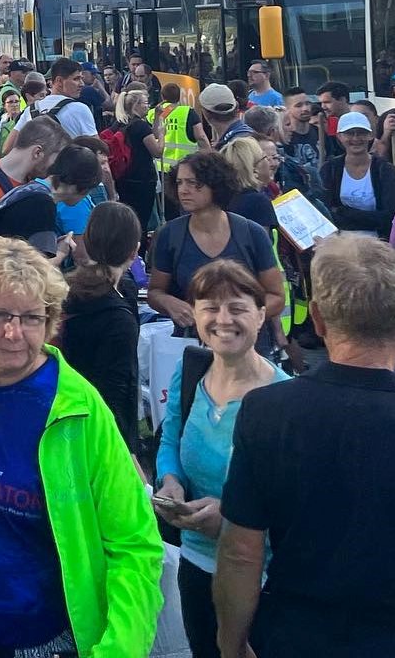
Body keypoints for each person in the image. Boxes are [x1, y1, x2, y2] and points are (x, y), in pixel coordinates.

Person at [0, 236, 163, 657]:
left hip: (38, 641)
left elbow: (135, 543)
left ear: (52, 322)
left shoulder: (78, 410)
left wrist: (119, 649)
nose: (14, 333)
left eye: (31, 318)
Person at [215, 234, 395, 657]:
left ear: (317, 318)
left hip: (295, 634)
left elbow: (242, 551)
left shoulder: (268, 411)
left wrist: (230, 644)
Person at [148, 259, 289, 658]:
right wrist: (170, 482)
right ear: (194, 314)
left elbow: (293, 501)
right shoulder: (190, 370)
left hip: (261, 581)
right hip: (194, 563)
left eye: (237, 308)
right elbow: (170, 440)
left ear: (261, 316)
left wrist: (230, 519)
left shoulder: (283, 399)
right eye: (210, 307)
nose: (222, 319)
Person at [147, 152, 292, 359]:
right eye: (179, 182)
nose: (183, 190)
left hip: (249, 348)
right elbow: (155, 292)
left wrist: (238, 317)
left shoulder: (251, 234)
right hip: (193, 346)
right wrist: (170, 303)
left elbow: (276, 297)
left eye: (193, 183)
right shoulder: (170, 235)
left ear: (216, 185)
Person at [59, 201, 142, 450]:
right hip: (100, 438)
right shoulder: (119, 317)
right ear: (134, 252)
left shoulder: (66, 291)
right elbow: (114, 395)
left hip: (62, 417)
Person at [0, 144, 103, 262]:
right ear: (79, 187)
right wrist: (61, 252)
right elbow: (39, 270)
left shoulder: (31, 188)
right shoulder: (43, 205)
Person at [321, 110, 395, 239]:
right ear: (339, 136)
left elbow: (387, 217)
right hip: (338, 243)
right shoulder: (329, 169)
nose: (355, 138)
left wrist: (343, 211)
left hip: (379, 243)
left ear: (370, 135)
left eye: (361, 133)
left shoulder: (384, 170)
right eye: (349, 133)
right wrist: (369, 217)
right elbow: (325, 211)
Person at [5, 57, 99, 144]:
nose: (81, 84)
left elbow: (7, 148)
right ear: (59, 81)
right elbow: (96, 150)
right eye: (76, 79)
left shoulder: (30, 110)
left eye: (81, 79)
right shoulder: (80, 109)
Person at [114, 85, 161, 230]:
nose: (148, 106)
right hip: (142, 180)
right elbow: (157, 151)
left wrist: (158, 117)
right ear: (136, 105)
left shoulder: (120, 123)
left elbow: (152, 134)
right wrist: (164, 135)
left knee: (129, 220)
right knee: (142, 221)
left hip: (124, 178)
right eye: (145, 103)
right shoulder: (141, 126)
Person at [221, 136, 279, 234]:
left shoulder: (225, 198)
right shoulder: (258, 202)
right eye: (264, 157)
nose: (271, 163)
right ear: (254, 169)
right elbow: (263, 246)